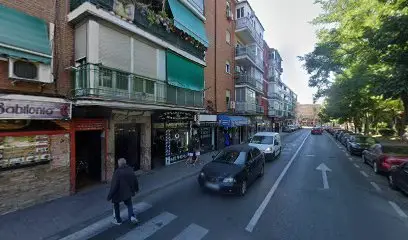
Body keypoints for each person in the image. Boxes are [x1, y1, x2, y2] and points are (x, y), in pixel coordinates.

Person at [107, 158, 139, 225]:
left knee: (116, 205)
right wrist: (136, 189)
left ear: (119, 164)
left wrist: (109, 196)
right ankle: (131, 217)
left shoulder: (117, 172)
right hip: (128, 192)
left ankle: (118, 220)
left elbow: (114, 185)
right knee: (129, 204)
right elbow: (135, 180)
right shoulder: (130, 169)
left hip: (118, 193)